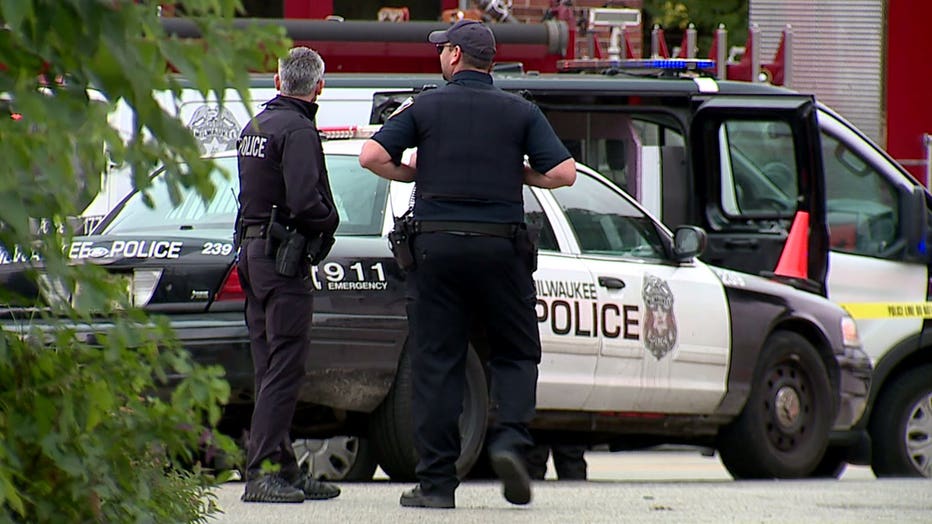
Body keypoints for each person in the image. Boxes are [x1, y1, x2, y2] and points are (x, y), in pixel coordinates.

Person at [358, 19, 577, 509]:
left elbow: (371, 156)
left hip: (436, 250)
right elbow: (564, 173)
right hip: (501, 249)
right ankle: (511, 445)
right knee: (516, 352)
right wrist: (517, 173)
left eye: (443, 50)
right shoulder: (519, 110)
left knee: (438, 362)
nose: (439, 56)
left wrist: (413, 170)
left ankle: (436, 486)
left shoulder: (426, 105)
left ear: (455, 56)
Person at [235, 46, 341, 504]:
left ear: (277, 82)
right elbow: (304, 201)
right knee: (285, 366)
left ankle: (284, 469)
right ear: (318, 87)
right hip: (283, 258)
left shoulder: (254, 126)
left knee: (268, 365)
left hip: (252, 252)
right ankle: (261, 473)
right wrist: (328, 221)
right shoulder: (298, 130)